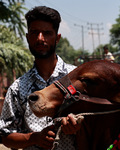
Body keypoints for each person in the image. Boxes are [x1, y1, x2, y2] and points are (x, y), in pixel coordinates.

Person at [0, 6, 82, 150]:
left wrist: (77, 126)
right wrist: (33, 138)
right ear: (27, 37)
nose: (40, 38)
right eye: (34, 32)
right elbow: (5, 136)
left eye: (47, 33)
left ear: (57, 38)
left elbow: (98, 123)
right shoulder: (18, 88)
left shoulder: (78, 78)